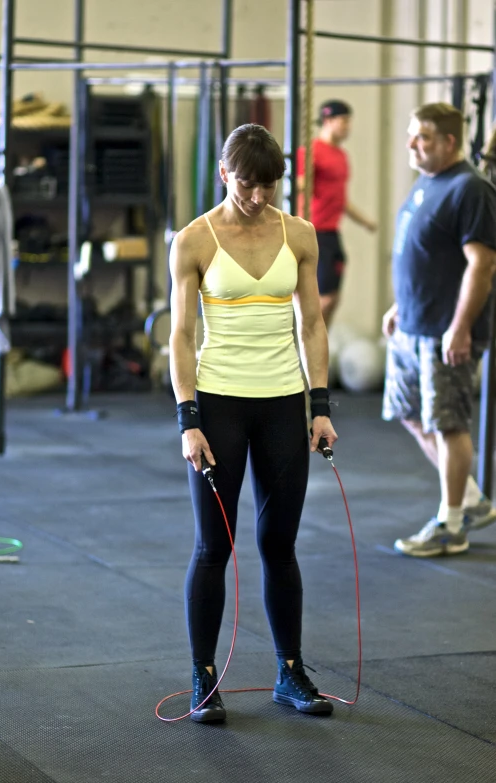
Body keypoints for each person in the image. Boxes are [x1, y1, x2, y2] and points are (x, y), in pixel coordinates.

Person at [169, 124, 338, 723]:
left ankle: (290, 673)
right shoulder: (193, 240)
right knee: (214, 546)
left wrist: (320, 406)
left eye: (268, 185)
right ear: (223, 173)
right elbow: (182, 336)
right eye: (247, 184)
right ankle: (203, 678)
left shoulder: (301, 234)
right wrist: (189, 418)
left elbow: (313, 325)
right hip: (218, 405)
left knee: (279, 544)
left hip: (282, 404)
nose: (258, 196)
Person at [382, 102, 496, 557]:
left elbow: (482, 264)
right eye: (411, 135)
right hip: (411, 324)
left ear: (449, 142)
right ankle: (470, 499)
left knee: (448, 424)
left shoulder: (471, 189)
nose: (412, 144)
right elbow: (426, 254)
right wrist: (399, 305)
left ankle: (452, 525)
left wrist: (461, 327)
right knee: (410, 413)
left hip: (443, 332)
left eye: (423, 137)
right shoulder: (428, 183)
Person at [297, 99, 377, 327]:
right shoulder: (310, 152)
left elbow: (340, 200)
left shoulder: (341, 156)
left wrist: (365, 222)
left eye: (348, 122)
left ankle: (321, 349)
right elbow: (300, 186)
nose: (347, 127)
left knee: (334, 298)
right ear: (328, 121)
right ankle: (309, 352)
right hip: (314, 231)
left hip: (332, 233)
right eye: (343, 121)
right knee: (324, 299)